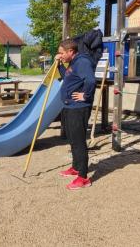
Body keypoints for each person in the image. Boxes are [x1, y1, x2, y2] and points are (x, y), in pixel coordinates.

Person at [55, 39, 96, 190]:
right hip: (69, 106)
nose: (60, 55)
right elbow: (66, 77)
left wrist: (85, 95)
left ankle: (83, 177)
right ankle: (76, 168)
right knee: (72, 139)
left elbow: (91, 81)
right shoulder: (73, 63)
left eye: (61, 53)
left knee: (79, 141)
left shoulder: (82, 62)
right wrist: (59, 64)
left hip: (79, 108)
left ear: (70, 52)